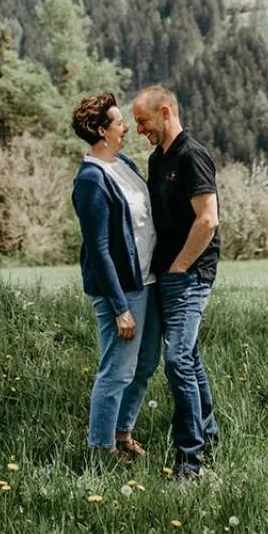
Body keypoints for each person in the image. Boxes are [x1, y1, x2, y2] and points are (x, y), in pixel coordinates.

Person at [131, 85, 220, 481]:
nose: (138, 130)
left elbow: (208, 220)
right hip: (167, 273)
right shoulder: (157, 159)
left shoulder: (191, 156)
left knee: (177, 361)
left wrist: (181, 266)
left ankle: (190, 463)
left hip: (190, 274)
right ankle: (210, 435)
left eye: (143, 121)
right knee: (190, 357)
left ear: (165, 112)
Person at [71, 91, 161, 464]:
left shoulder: (122, 163)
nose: (126, 126)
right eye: (119, 121)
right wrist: (120, 307)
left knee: (145, 363)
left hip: (148, 280)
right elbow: (99, 249)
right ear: (100, 131)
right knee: (117, 370)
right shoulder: (91, 180)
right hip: (122, 290)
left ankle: (122, 434)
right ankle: (100, 449)